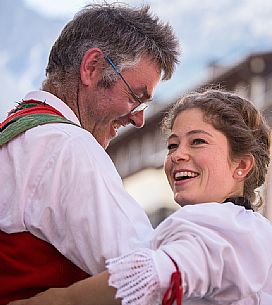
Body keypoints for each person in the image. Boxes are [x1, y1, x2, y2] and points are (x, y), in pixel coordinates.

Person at [10, 89, 272, 305]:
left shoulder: (220, 224)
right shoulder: (254, 231)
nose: (178, 155)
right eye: (173, 145)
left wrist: (54, 300)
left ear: (241, 165)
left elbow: (151, 276)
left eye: (197, 141)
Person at [0, 3, 179, 303]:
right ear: (92, 67)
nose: (139, 119)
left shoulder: (14, 134)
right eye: (136, 97)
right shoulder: (69, 146)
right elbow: (148, 277)